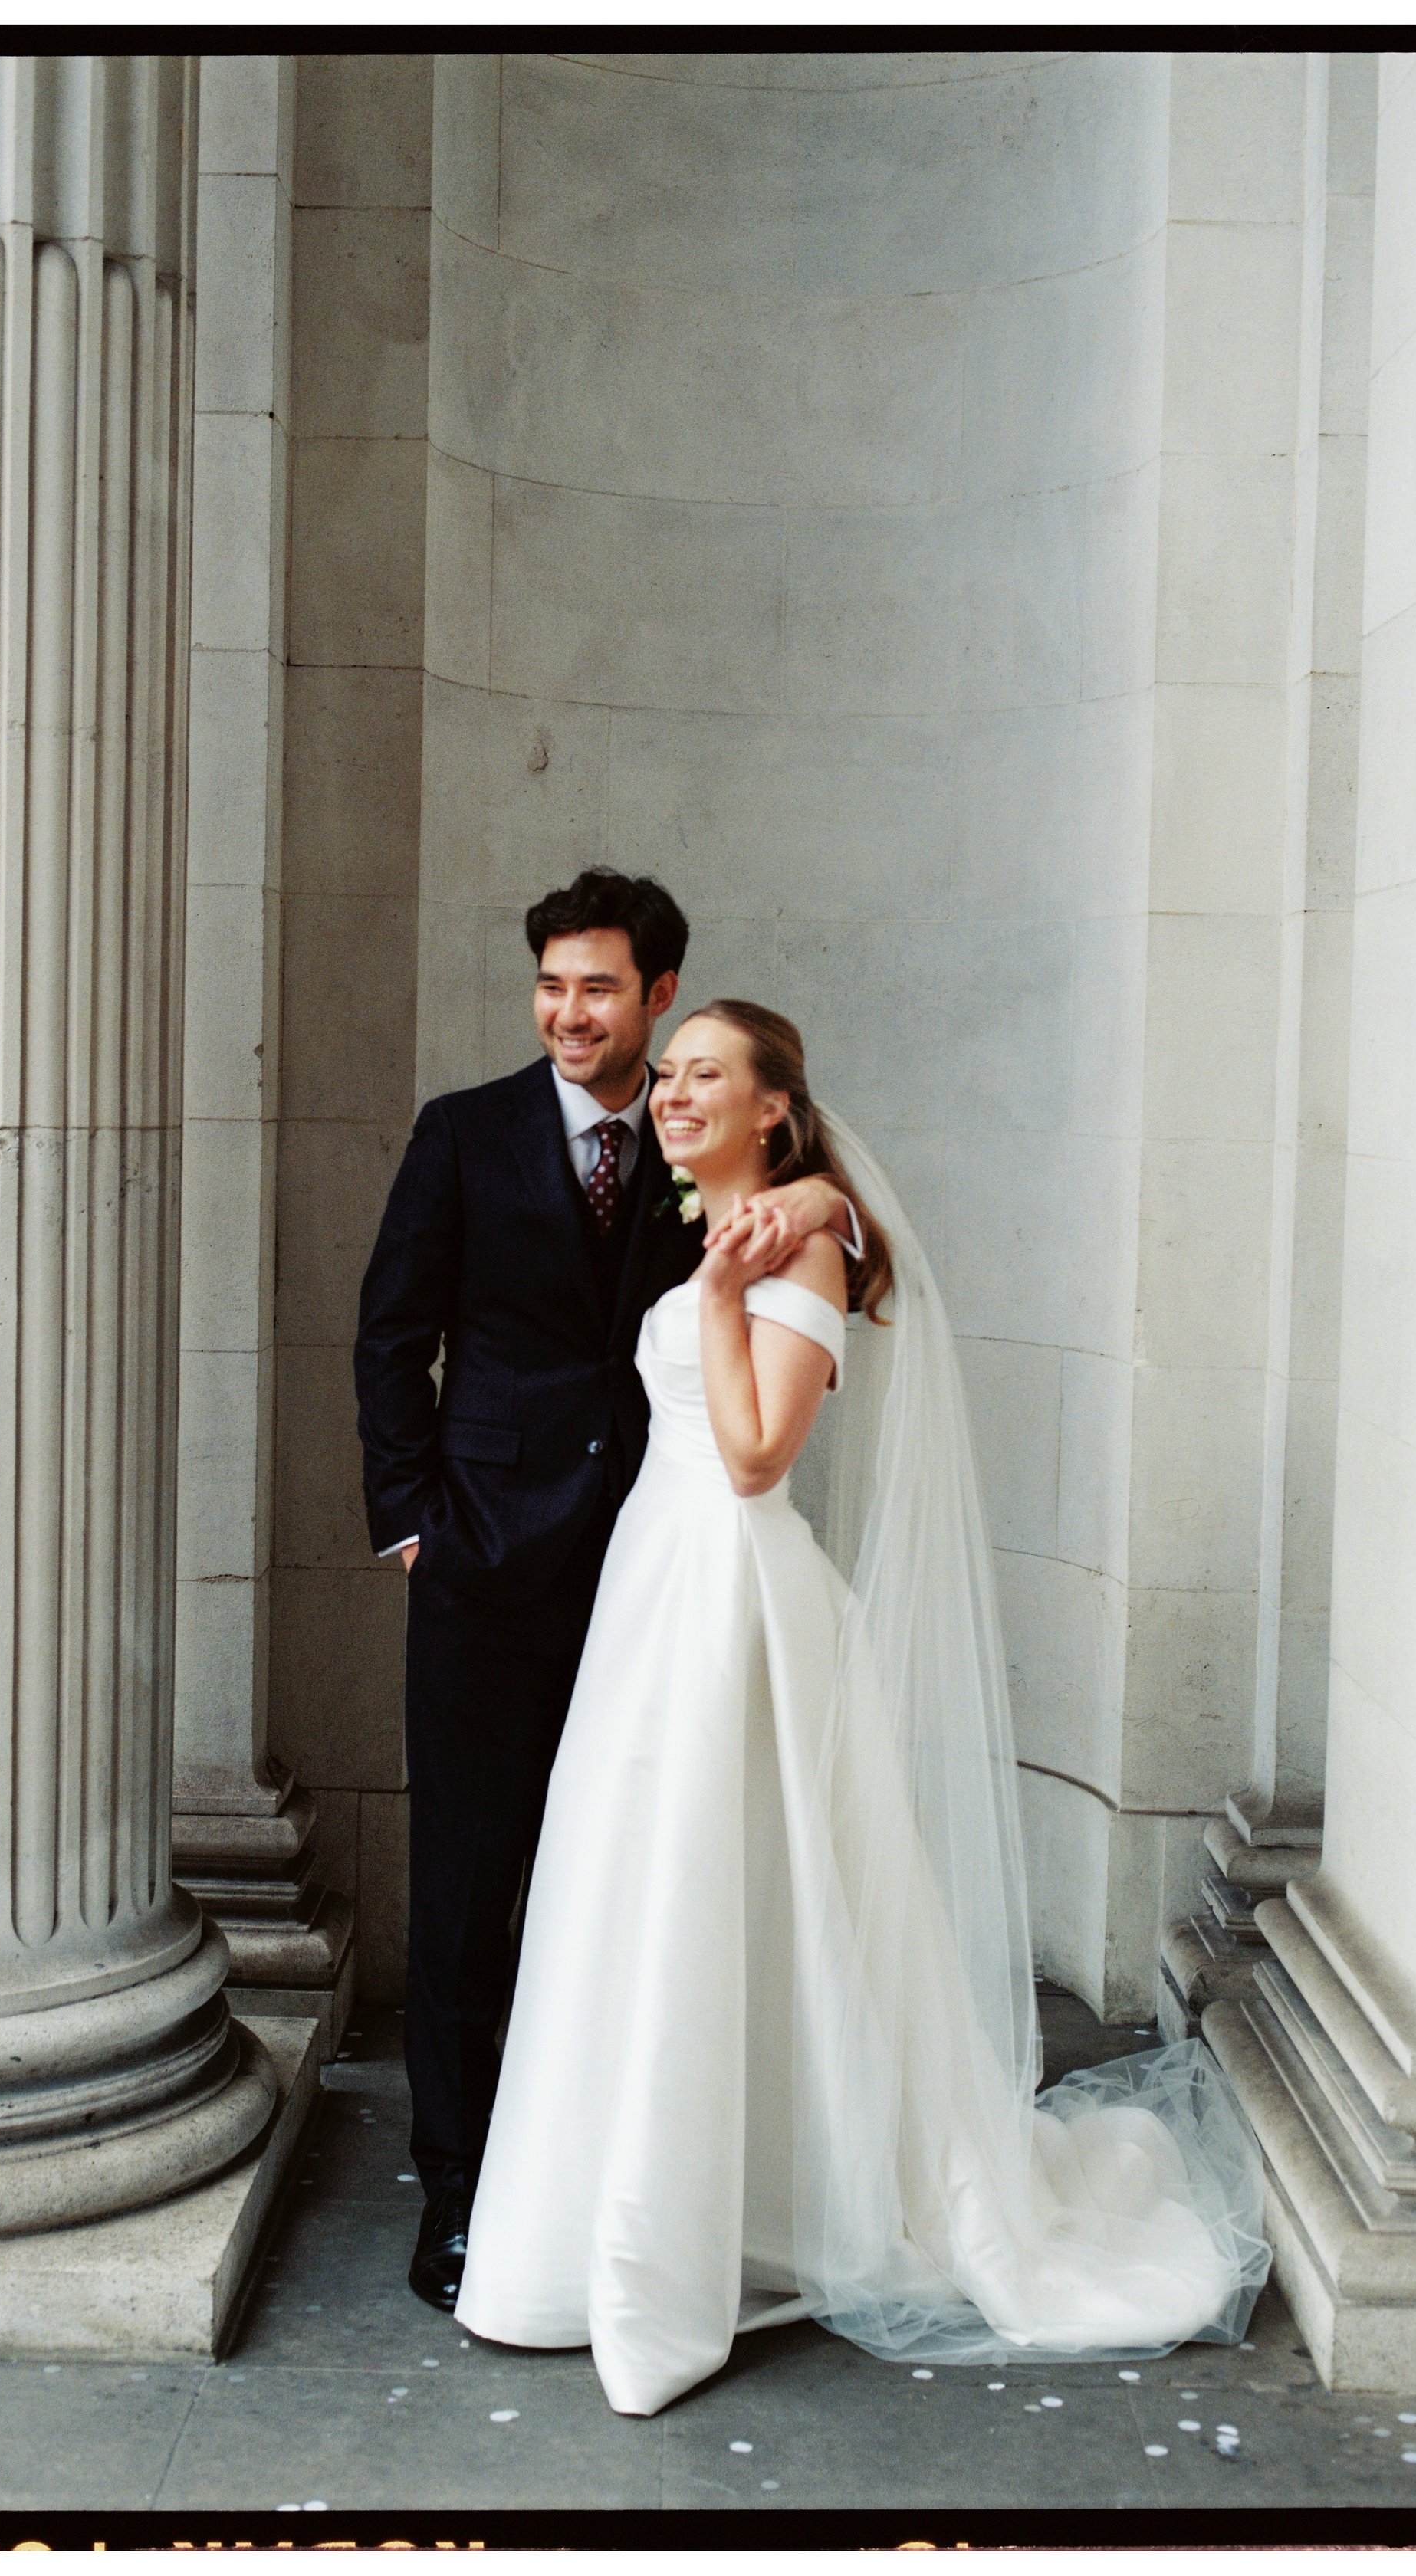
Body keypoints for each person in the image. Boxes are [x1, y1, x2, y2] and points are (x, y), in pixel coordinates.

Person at [452, 1001, 1271, 2417]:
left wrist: (729, 1287)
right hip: (659, 1587)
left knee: (724, 1891)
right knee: (641, 1897)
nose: (675, 1091)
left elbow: (761, 1455)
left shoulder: (793, 1240)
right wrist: (739, 1246)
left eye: (711, 1073)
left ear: (775, 1106)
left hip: (736, 1596)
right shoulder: (725, 1216)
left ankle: (691, 2252)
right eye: (675, 1073)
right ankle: (597, 2230)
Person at [353, 875, 860, 2314]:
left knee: (624, 1883)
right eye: (549, 986)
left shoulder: (698, 1133)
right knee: (468, 1891)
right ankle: (462, 2196)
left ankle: (606, 2175)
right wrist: (412, 1529)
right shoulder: (464, 1133)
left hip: (650, 1579)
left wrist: (825, 1194)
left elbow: (825, 1229)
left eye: (597, 988)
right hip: (482, 1565)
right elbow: (390, 1338)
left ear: (658, 993)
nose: (568, 1014)